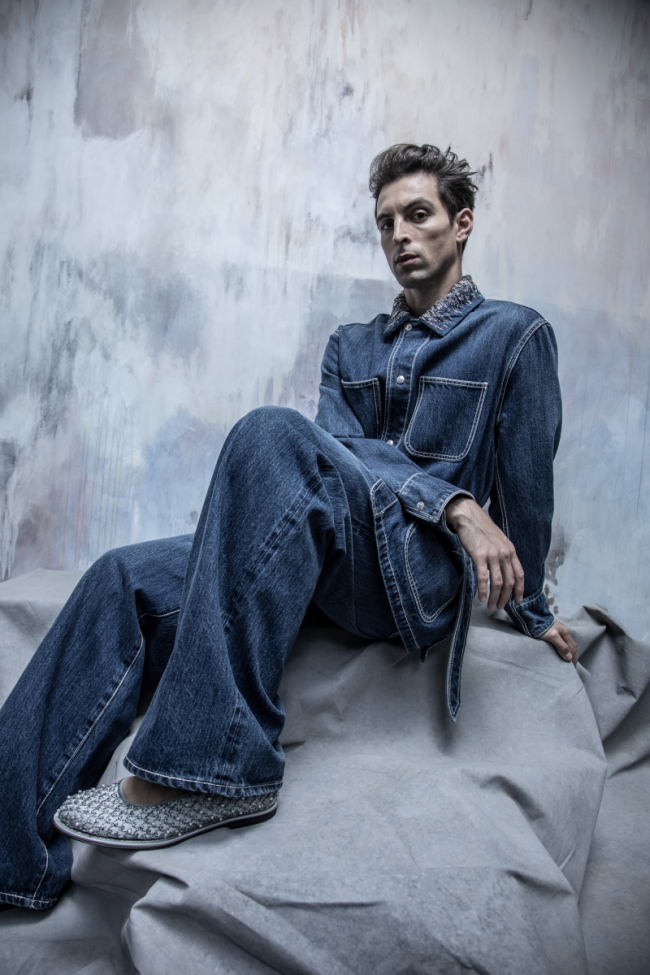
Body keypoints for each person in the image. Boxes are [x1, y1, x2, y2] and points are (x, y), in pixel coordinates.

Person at [0, 144, 576, 911]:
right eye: (386, 222)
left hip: (417, 576)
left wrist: (531, 608)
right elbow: (336, 454)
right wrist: (453, 499)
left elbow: (529, 489)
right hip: (335, 551)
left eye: (418, 215)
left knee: (270, 431)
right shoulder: (351, 344)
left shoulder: (515, 335)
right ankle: (9, 861)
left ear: (462, 223)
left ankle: (216, 766)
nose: (400, 234)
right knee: (120, 574)